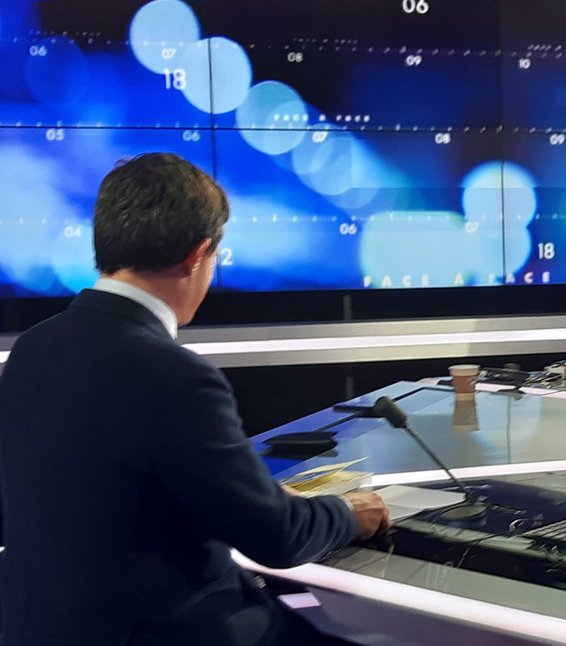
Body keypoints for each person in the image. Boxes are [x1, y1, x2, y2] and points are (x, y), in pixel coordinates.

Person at [0, 153, 389, 645]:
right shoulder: (173, 374)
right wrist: (347, 513)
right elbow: (276, 537)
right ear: (197, 254)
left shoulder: (33, 348)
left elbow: (105, 495)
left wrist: (253, 498)